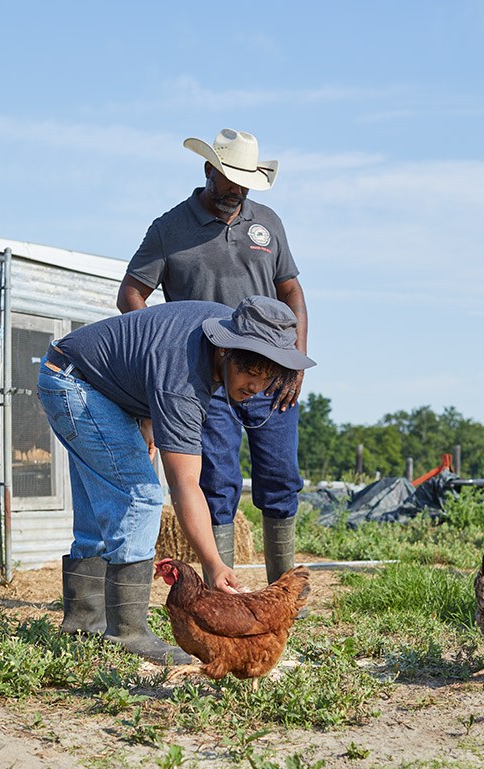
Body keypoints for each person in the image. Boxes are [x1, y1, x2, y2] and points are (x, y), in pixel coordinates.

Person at [38, 295, 315, 664]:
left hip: (75, 373)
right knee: (140, 496)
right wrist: (213, 564)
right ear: (227, 352)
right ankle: (128, 631)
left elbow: (149, 352)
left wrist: (149, 414)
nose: (256, 388)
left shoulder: (219, 329)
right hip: (77, 385)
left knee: (98, 506)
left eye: (267, 379)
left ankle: (82, 623)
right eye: (250, 373)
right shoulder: (184, 378)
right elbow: (185, 483)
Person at [116, 128, 308, 585]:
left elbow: (293, 291)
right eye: (229, 179)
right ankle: (227, 591)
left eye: (245, 183)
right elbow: (131, 295)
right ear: (208, 170)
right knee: (217, 482)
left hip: (269, 375)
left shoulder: (268, 224)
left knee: (280, 478)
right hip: (207, 379)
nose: (237, 190)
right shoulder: (168, 229)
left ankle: (282, 594)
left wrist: (296, 357)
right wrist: (156, 355)